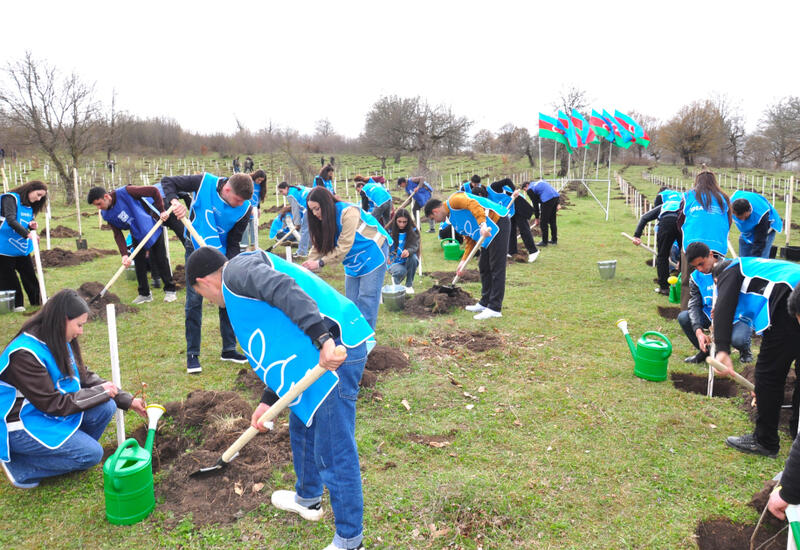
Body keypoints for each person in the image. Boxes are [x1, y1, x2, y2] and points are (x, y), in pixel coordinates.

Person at [186, 246, 371, 550]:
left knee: (333, 449)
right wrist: (267, 401)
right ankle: (308, 499)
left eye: (202, 295)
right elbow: (280, 341)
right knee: (302, 425)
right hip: (313, 356)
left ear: (203, 282)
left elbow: (284, 288)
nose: (208, 301)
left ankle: (350, 541)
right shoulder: (239, 284)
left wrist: (323, 338)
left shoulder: (236, 273)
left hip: (334, 351)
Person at [0, 289, 146, 489]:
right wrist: (102, 392)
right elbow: (53, 404)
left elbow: (84, 376)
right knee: (92, 454)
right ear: (62, 320)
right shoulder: (24, 354)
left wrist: (126, 400)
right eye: (79, 325)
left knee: (107, 406)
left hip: (46, 413)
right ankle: (22, 467)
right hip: (20, 425)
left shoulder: (56, 337)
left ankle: (72, 450)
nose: (81, 332)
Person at [160, 172, 253, 374]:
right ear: (227, 189)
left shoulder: (245, 209)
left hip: (221, 253)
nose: (240, 204)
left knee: (227, 297)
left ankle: (228, 349)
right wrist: (174, 202)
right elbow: (168, 181)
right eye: (237, 200)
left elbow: (234, 241)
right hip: (194, 247)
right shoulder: (204, 182)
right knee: (194, 300)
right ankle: (192, 354)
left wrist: (229, 264)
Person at [710, 255, 800, 458]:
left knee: (769, 375)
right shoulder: (755, 266)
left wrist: (722, 349)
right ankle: (797, 430)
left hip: (789, 302)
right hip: (794, 293)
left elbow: (724, 306)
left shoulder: (730, 270)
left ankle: (765, 441)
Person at [301, 187, 391, 330]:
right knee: (351, 302)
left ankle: (366, 339)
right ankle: (352, 335)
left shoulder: (348, 212)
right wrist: (305, 268)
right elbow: (318, 246)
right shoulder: (323, 219)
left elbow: (344, 245)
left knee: (367, 299)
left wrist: (320, 263)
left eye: (317, 209)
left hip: (373, 251)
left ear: (326, 204)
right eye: (312, 210)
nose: (315, 213)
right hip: (352, 260)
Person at [425, 191, 510, 320]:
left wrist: (482, 224)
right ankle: (485, 302)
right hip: (485, 231)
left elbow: (473, 204)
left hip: (497, 222)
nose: (435, 222)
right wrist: (463, 261)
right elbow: (470, 238)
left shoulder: (454, 200)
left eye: (433, 218)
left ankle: (494, 308)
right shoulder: (452, 219)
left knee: (496, 267)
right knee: (484, 266)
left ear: (435, 211)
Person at [87, 185, 177, 303]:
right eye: (96, 206)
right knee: (139, 262)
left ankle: (170, 291)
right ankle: (144, 294)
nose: (99, 208)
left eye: (99, 204)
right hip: (136, 233)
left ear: (106, 197)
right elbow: (117, 234)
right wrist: (124, 254)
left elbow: (154, 191)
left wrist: (162, 211)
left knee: (160, 258)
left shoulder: (126, 192)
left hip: (151, 226)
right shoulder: (106, 214)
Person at [682, 242, 753, 364]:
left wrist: (723, 308)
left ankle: (745, 350)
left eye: (701, 264)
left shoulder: (733, 268)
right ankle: (706, 351)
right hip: (710, 316)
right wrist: (698, 331)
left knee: (738, 340)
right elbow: (694, 304)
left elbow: (747, 297)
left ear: (710, 254)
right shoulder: (695, 277)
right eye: (695, 266)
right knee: (684, 317)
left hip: (737, 316)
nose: (700, 269)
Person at [678, 169, 731, 309]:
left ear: (697, 181)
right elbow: (728, 221)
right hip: (717, 245)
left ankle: (688, 313)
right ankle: (716, 313)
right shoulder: (724, 198)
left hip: (692, 244)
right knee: (717, 281)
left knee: (688, 281)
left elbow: (680, 220)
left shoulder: (688, 196)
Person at [0, 181, 47, 312]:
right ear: (30, 189)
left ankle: (38, 300)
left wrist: (31, 225)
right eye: (38, 194)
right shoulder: (10, 198)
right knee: (9, 277)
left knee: (29, 275)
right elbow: (10, 220)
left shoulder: (28, 206)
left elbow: (24, 221)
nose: (39, 199)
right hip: (4, 247)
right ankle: (16, 305)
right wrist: (27, 234)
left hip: (21, 248)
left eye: (41, 197)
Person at [630, 186, 683, 295]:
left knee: (662, 256)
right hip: (682, 222)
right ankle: (685, 286)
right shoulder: (684, 201)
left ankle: (664, 288)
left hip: (666, 222)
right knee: (685, 254)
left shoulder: (664, 205)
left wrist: (637, 236)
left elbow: (644, 217)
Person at [489, 178, 539, 263]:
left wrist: (514, 190)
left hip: (517, 203)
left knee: (523, 229)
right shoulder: (486, 199)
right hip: (510, 211)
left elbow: (507, 180)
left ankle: (533, 251)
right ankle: (511, 251)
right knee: (511, 229)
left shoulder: (493, 187)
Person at [730, 190, 782, 258]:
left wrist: (755, 260)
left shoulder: (761, 215)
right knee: (743, 256)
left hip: (767, 228)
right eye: (739, 218)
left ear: (748, 211)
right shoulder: (729, 205)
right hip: (747, 231)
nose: (742, 220)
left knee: (760, 258)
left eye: (745, 217)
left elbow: (759, 242)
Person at [386, 208, 419, 293]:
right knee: (401, 271)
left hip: (407, 260)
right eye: (399, 221)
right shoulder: (388, 230)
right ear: (395, 220)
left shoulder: (413, 230)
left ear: (408, 221)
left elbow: (415, 245)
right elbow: (383, 245)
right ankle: (396, 281)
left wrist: (408, 251)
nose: (402, 224)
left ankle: (409, 285)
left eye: (405, 222)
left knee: (414, 259)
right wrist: (386, 255)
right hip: (393, 261)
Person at [278, 181, 312, 257]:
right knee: (310, 229)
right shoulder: (296, 188)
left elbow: (295, 209)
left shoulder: (290, 195)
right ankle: (312, 248)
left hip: (310, 207)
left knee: (304, 230)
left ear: (286, 188)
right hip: (315, 205)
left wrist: (297, 223)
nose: (281, 193)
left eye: (281, 191)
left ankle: (302, 252)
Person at [523, 180, 560, 247]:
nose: (525, 191)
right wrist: (558, 203)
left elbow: (535, 204)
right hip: (555, 197)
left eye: (524, 189)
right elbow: (552, 190)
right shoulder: (539, 182)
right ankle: (554, 240)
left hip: (547, 199)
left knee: (543, 222)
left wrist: (537, 218)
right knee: (552, 220)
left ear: (527, 185)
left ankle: (544, 242)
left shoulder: (530, 189)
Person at [242, 170, 267, 250]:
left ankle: (254, 245)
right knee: (245, 229)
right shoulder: (248, 182)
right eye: (258, 180)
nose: (259, 182)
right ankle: (245, 246)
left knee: (254, 228)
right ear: (255, 177)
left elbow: (258, 198)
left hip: (254, 210)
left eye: (261, 181)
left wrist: (258, 208)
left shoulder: (261, 186)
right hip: (245, 209)